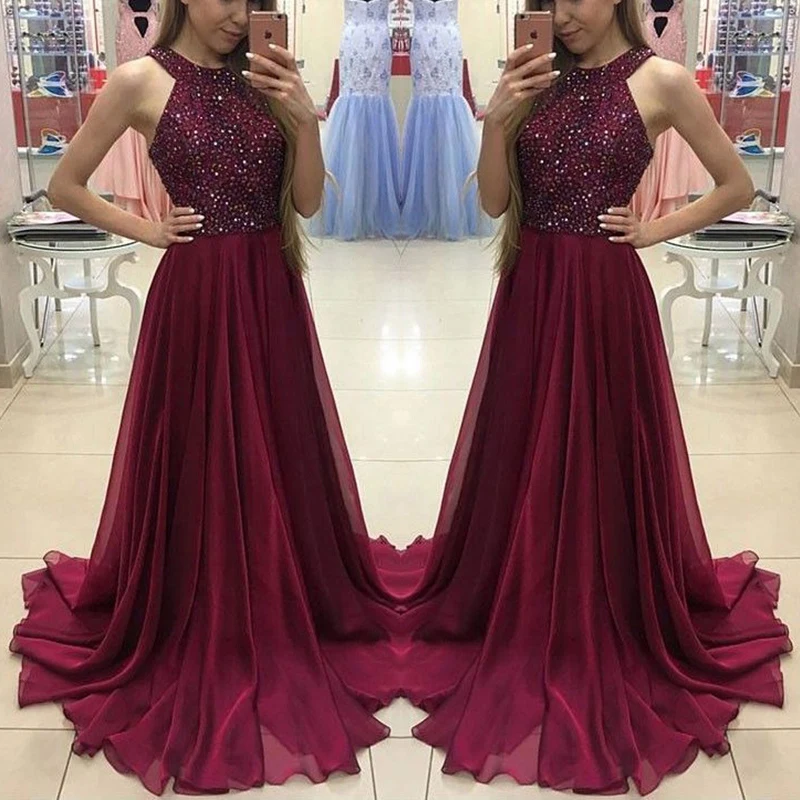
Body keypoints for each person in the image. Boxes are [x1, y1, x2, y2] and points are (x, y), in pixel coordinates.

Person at [390, 0, 793, 794]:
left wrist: (655, 230)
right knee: (524, 452)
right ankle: (524, 595)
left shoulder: (662, 80)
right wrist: (498, 117)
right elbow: (494, 203)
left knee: (601, 458)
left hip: (606, 297)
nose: (564, 14)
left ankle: (602, 603)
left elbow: (736, 182)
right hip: (531, 292)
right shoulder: (532, 76)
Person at [9, 0, 403, 793]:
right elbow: (66, 183)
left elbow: (308, 203)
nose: (237, 14)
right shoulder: (139, 81)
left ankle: (280, 592)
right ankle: (202, 603)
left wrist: (304, 119)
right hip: (195, 298)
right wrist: (147, 230)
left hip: (270, 292)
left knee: (276, 450)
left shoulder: (267, 76)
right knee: (200, 457)